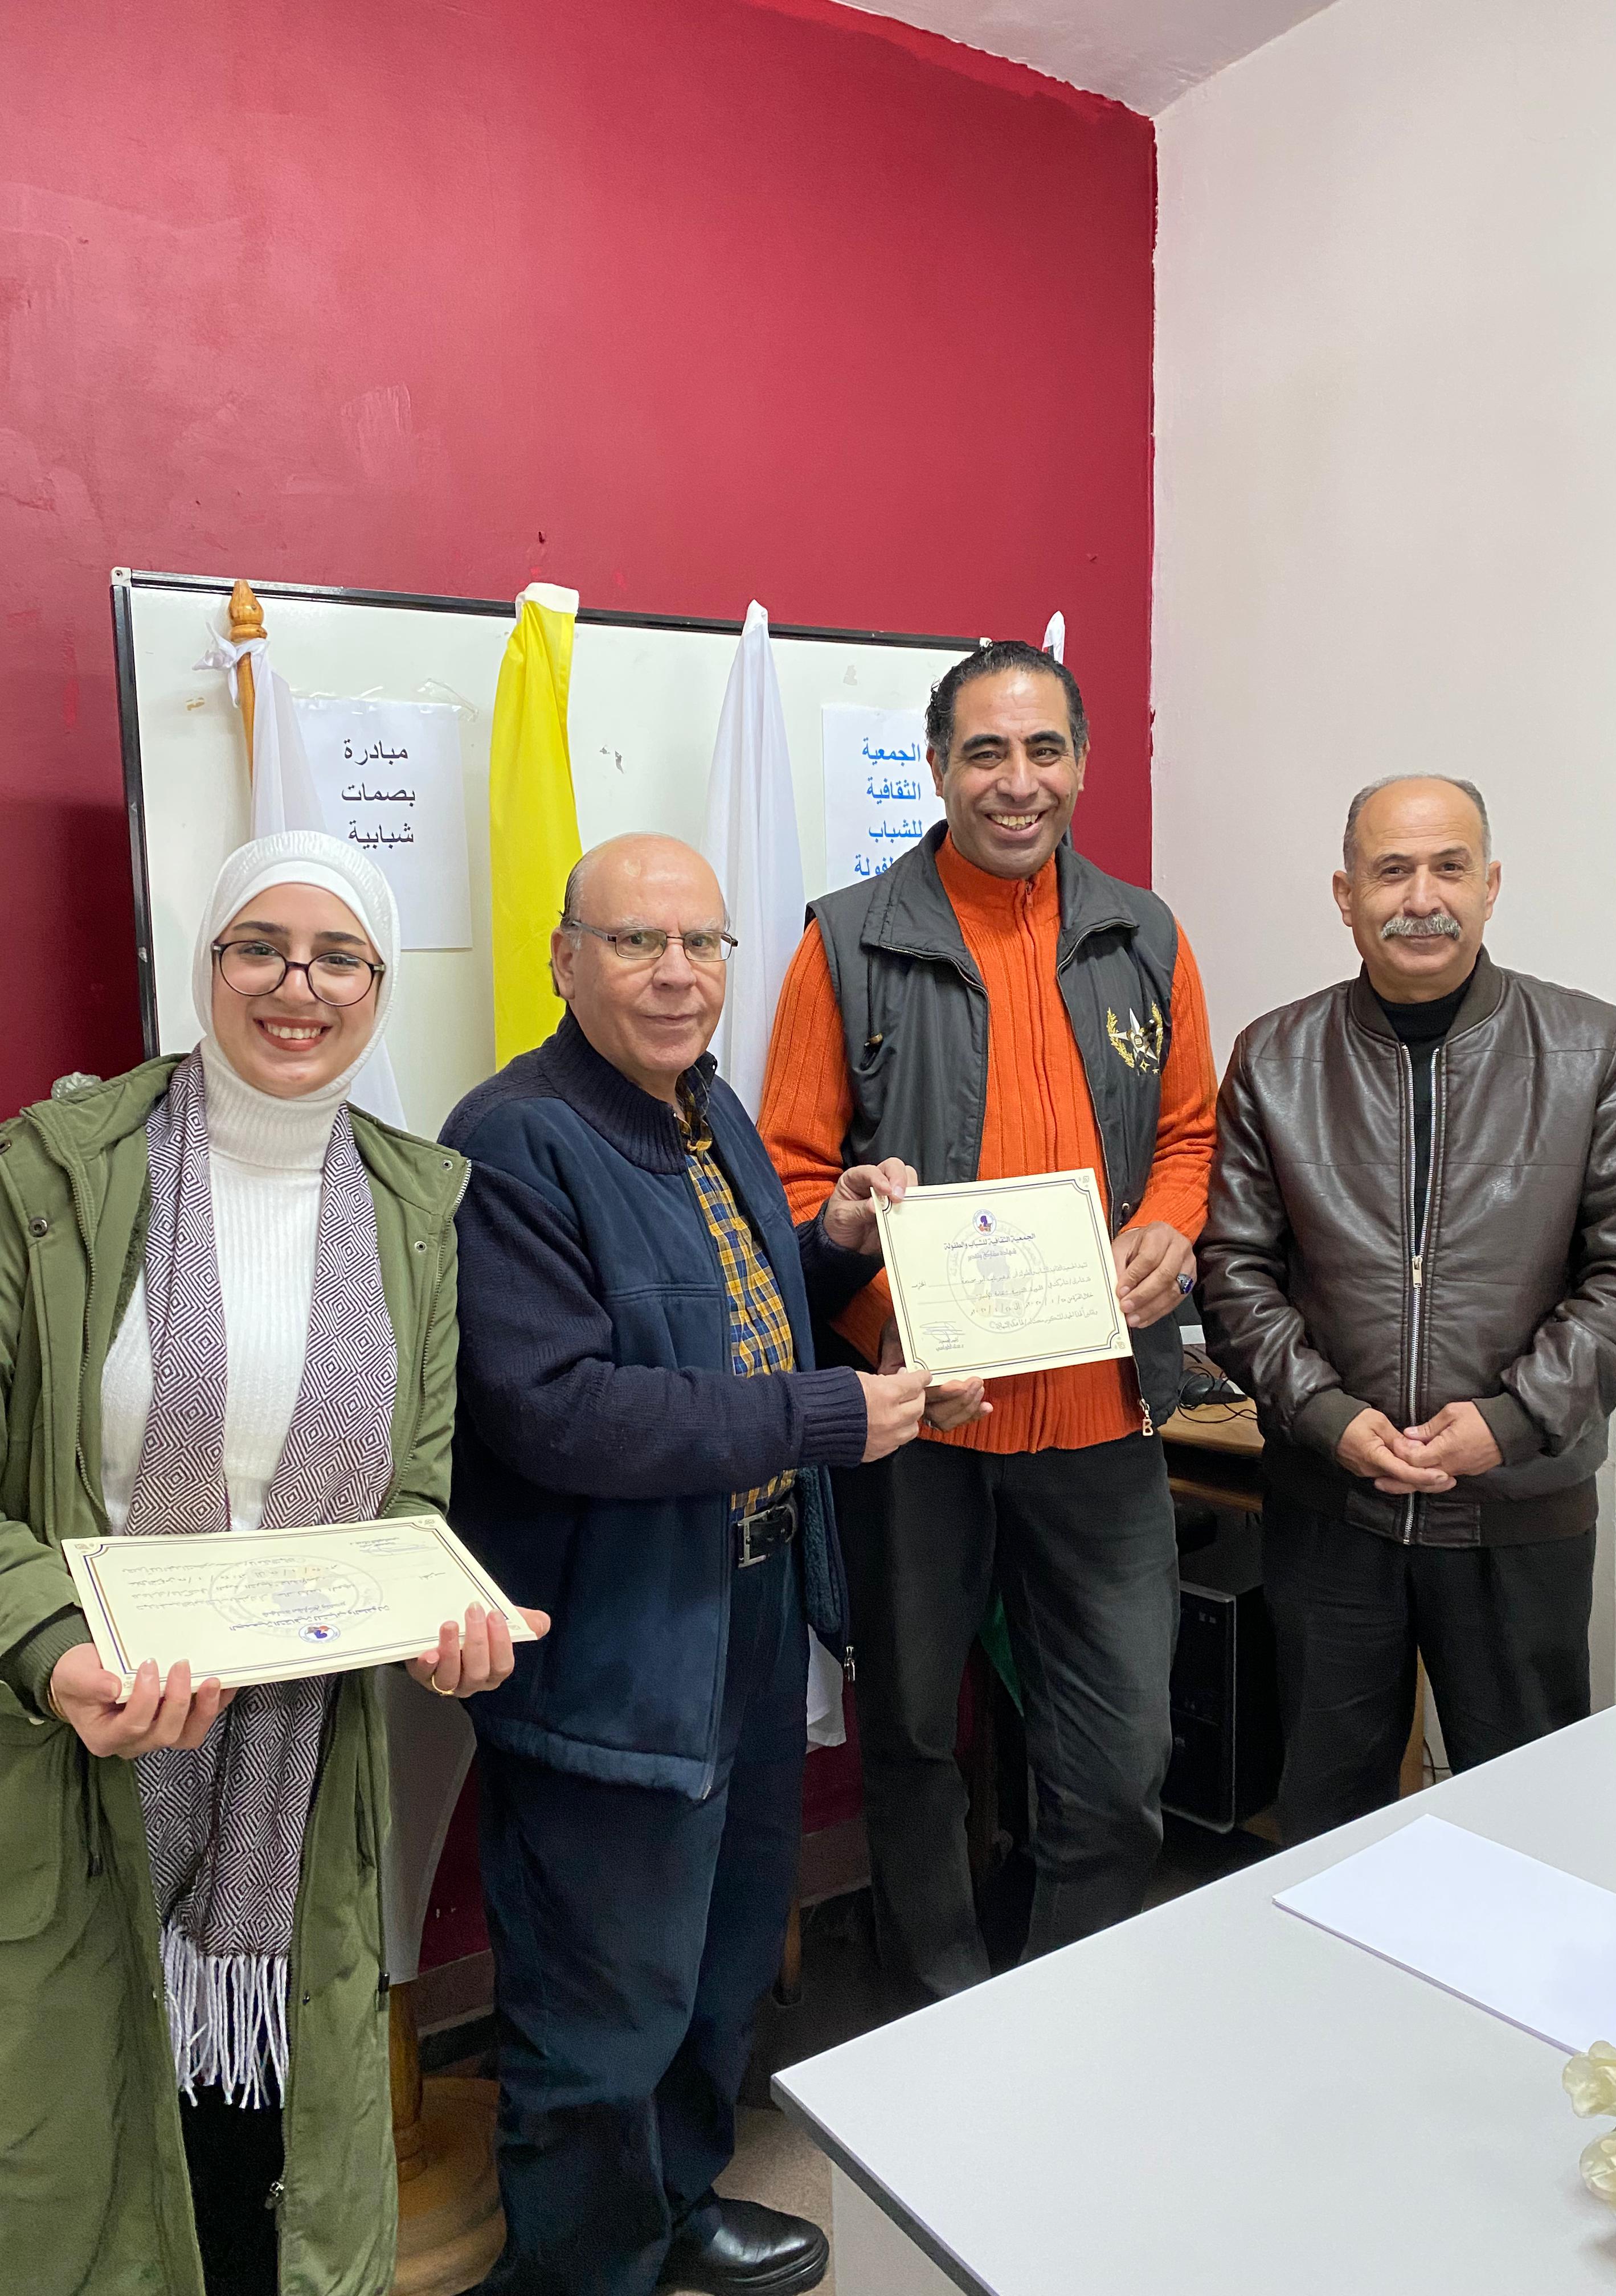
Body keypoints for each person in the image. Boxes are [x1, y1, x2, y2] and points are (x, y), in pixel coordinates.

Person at [0, 829, 543, 2296]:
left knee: (262, 2174)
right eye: (261, 948)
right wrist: (55, 1652)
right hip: (70, 1758)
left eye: (339, 958)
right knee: (78, 2168)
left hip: (300, 1781)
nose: (298, 988)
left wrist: (443, 1618)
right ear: (208, 962)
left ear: (379, 985)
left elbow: (410, 1492)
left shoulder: (416, 1207)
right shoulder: (54, 1177)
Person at [442, 833, 934, 2296]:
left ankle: (677, 2203)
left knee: (719, 1955)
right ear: (564, 960)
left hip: (747, 1608)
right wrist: (833, 1415)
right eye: (636, 943)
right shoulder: (513, 1139)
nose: (677, 974)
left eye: (703, 944)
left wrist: (834, 1245)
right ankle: (587, 2267)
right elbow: (562, 1410)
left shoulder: (705, 1106)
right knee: (601, 2004)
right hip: (615, 1640)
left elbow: (731, 1313)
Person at [759, 639, 1219, 1999]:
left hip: (1103, 1417)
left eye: (1044, 750)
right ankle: (944, 1997)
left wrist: (1171, 1231)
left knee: (1124, 1752)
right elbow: (793, 1178)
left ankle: (1064, 2000)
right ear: (938, 767)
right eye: (986, 753)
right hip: (923, 1428)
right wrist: (899, 1319)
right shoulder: (846, 942)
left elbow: (1190, 1137)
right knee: (911, 1735)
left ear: (1081, 762)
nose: (1019, 783)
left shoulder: (1147, 936)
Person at [1197, 776, 1616, 1842]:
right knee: (1328, 1827)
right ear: (1346, 895)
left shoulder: (1594, 1048)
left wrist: (1510, 1422)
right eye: (1391, 871)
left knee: (1530, 1833)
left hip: (1519, 1512)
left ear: (1491, 885)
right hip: (1331, 1512)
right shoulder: (1275, 1058)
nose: (1421, 898)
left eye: (1449, 868)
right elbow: (1233, 1270)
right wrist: (1328, 1416)